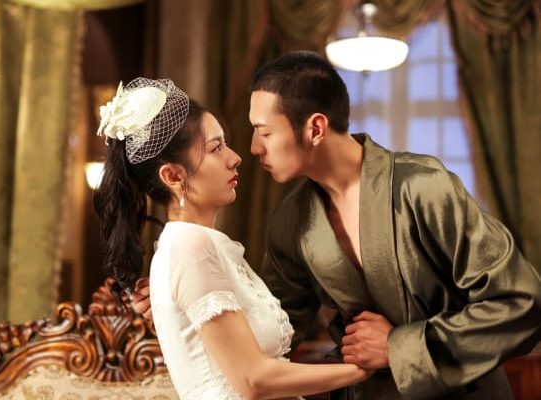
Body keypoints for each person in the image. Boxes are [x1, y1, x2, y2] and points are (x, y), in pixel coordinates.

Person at [131, 52, 541, 399]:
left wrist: (399, 348)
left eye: (264, 132)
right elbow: (274, 324)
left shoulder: (423, 188)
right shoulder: (292, 219)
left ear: (315, 128)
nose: (252, 149)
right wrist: (186, 299)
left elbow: (522, 301)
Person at [94, 77, 371, 400]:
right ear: (173, 176)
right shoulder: (189, 246)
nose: (235, 157)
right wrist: (364, 368)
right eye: (216, 148)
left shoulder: (201, 245)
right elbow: (253, 381)